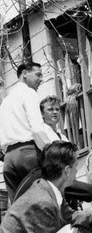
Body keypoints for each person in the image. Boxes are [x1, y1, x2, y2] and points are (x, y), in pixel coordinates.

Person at [0, 62, 51, 201]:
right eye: (38, 74)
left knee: (19, 208)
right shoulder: (28, 93)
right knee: (42, 202)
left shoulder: (6, 101)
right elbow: (36, 128)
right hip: (28, 154)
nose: (41, 79)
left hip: (9, 160)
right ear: (24, 74)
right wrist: (50, 150)